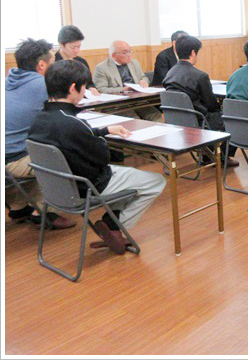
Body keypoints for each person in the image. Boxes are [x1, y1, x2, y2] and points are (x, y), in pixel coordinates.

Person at [28, 60, 166, 254]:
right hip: (88, 187)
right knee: (156, 181)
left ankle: (112, 224)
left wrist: (103, 130)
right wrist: (101, 140)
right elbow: (103, 159)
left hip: (56, 189)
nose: (85, 91)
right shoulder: (73, 123)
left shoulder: (39, 119)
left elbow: (73, 137)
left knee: (128, 179)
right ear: (73, 88)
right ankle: (114, 225)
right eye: (84, 87)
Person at [5, 39, 74, 230]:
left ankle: (19, 207)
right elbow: (62, 119)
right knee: (64, 155)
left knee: (36, 145)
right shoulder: (44, 84)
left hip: (8, 156)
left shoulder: (7, 80)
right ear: (42, 65)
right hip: (14, 160)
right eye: (54, 62)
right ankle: (44, 212)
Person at [163, 35, 238, 167]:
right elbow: (211, 104)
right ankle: (222, 157)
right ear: (193, 52)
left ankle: (207, 155)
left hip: (176, 120)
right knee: (232, 119)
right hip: (198, 120)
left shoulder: (169, 74)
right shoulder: (200, 76)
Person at [93, 40, 161, 122]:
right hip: (118, 104)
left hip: (137, 100)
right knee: (135, 121)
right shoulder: (102, 68)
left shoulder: (134, 63)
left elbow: (143, 77)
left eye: (130, 51)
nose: (129, 55)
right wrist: (123, 89)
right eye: (125, 53)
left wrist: (144, 82)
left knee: (156, 116)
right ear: (114, 55)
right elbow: (101, 89)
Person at [56, 25, 100, 96]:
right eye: (72, 47)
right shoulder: (53, 62)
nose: (76, 50)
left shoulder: (82, 62)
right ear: (61, 44)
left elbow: (89, 83)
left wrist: (91, 88)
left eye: (79, 46)